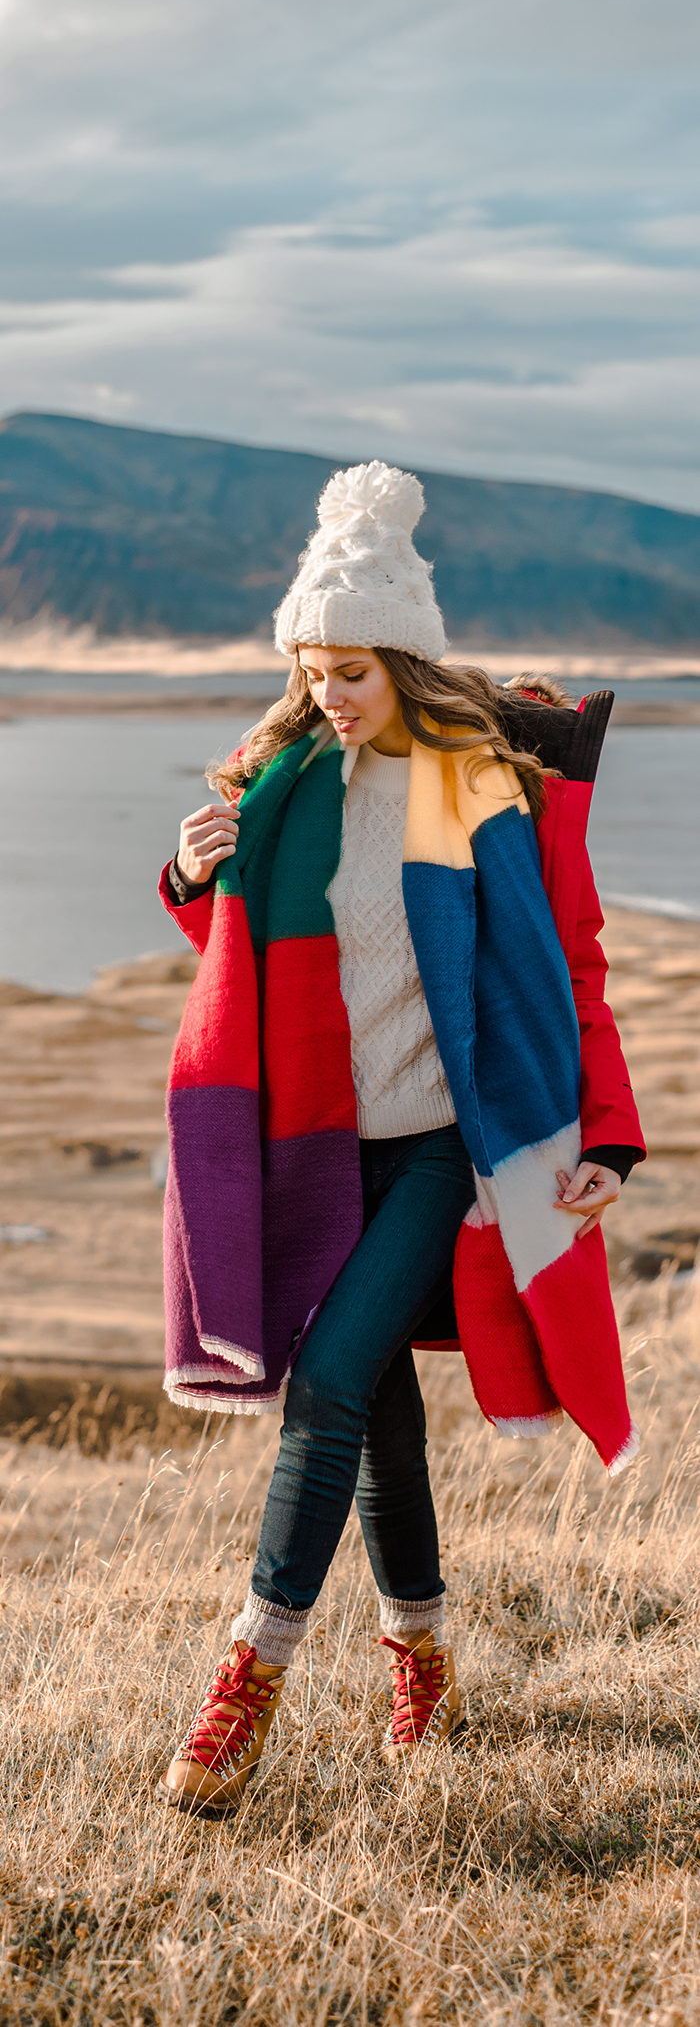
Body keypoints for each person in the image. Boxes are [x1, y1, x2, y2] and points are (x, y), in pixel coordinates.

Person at [156, 460, 645, 1818]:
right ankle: (421, 1653)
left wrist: (609, 1131)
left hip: (442, 1147)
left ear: (407, 659)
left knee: (321, 1384)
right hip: (318, 1147)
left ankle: (248, 1674)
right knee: (373, 1414)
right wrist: (200, 877)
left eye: (353, 670)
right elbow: (256, 975)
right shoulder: (281, 786)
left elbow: (577, 965)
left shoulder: (495, 789)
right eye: (313, 669)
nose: (331, 695)